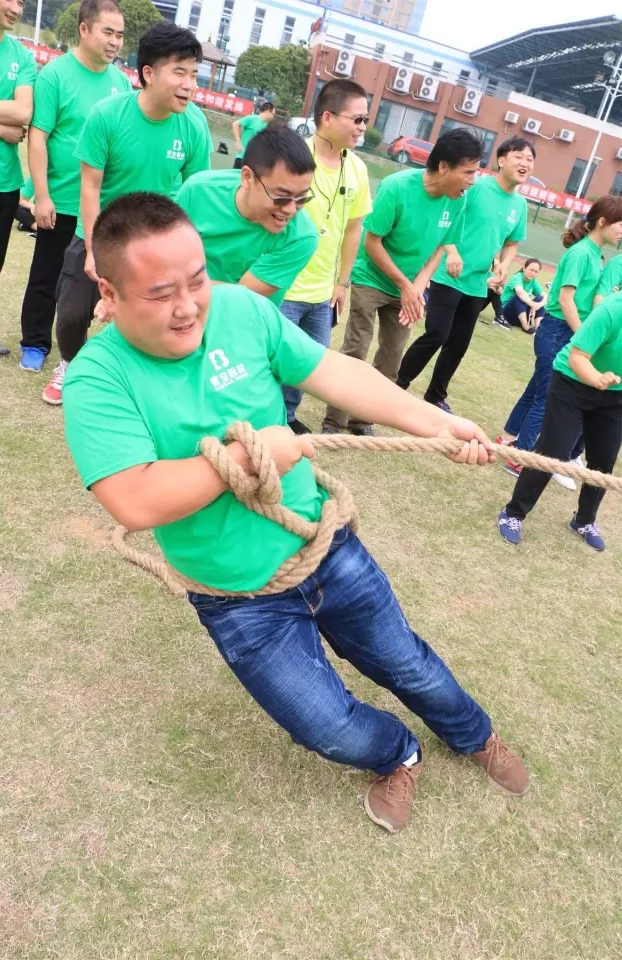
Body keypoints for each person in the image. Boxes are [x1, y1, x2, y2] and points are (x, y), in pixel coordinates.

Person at [63, 193, 529, 834]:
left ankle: (476, 736)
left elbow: (336, 374)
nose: (189, 305)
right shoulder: (97, 379)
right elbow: (134, 499)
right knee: (326, 726)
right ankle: (398, 752)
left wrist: (438, 424)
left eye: (197, 280)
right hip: (237, 598)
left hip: (325, 550)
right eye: (161, 293)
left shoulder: (241, 310)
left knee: (408, 663)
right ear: (109, 293)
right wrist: (252, 457)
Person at [42, 21, 212, 406]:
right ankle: (71, 363)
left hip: (157, 243)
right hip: (102, 232)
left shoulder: (194, 125)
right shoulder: (107, 115)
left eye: (194, 75)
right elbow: (90, 187)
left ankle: (135, 382)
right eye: (180, 73)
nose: (190, 85)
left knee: (155, 316)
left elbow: (195, 194)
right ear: (148, 73)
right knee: (71, 314)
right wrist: (91, 248)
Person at [322, 128, 483, 437]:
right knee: (356, 350)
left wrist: (417, 288)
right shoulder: (396, 187)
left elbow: (441, 247)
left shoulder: (458, 200)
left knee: (391, 361)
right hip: (372, 277)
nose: (473, 180)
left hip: (407, 287)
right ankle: (334, 422)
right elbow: (372, 242)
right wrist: (405, 285)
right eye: (468, 172)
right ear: (444, 167)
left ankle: (362, 420)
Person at [18, 0, 130, 374]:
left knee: (85, 285)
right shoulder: (55, 75)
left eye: (119, 35)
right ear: (84, 29)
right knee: (46, 276)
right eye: (107, 32)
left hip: (99, 207)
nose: (115, 42)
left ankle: (74, 353)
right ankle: (35, 342)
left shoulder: (120, 83)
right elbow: (38, 137)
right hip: (61, 200)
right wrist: (42, 196)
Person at [396, 137, 533, 413]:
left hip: (477, 284)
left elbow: (512, 242)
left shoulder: (520, 205)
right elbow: (446, 215)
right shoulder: (476, 187)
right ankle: (399, 383)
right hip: (448, 275)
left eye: (530, 159)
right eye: (519, 156)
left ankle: (435, 395)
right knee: (437, 334)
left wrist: (504, 264)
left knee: (458, 344)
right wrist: (451, 251)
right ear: (501, 160)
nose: (525, 163)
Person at [499, 197, 622, 484]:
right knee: (545, 397)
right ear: (602, 221)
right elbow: (566, 300)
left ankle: (507, 439)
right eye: (620, 224)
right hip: (558, 329)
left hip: (564, 330)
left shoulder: (595, 254)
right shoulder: (581, 253)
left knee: (535, 390)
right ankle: (520, 457)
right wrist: (583, 337)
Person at [280, 79, 372, 434]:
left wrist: (342, 282)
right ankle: (266, 417)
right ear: (328, 117)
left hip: (322, 293)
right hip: (284, 284)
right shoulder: (294, 157)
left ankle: (288, 416)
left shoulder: (357, 169)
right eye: (357, 119)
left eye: (365, 120)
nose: (362, 128)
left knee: (309, 364)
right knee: (275, 357)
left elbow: (353, 229)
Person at [497, 292, 622, 551]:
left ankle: (584, 521)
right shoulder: (611, 310)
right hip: (572, 381)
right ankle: (513, 513)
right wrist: (597, 380)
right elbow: (577, 357)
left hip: (615, 393)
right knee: (553, 450)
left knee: (603, 459)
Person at [175, 124, 318, 306]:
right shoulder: (197, 192)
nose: (291, 209)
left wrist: (173, 286)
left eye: (301, 198)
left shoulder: (301, 237)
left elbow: (238, 297)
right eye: (281, 196)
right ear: (247, 177)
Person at [0, 0, 35, 357]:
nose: (17, 8)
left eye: (22, 2)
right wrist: (1, 130)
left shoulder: (22, 56)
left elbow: (23, 112)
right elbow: (11, 122)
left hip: (4, 180)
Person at [495, 257, 546, 332]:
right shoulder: (517, 277)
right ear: (524, 268)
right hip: (506, 314)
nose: (533, 273)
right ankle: (525, 327)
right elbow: (520, 292)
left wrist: (539, 304)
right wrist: (532, 304)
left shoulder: (533, 281)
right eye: (531, 270)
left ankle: (538, 328)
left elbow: (545, 296)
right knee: (519, 296)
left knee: (540, 298)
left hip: (521, 314)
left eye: (536, 271)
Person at [232, 100, 274, 169]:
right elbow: (235, 124)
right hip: (242, 157)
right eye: (273, 114)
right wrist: (238, 140)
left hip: (254, 162)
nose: (273, 117)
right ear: (268, 110)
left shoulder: (266, 126)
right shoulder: (252, 118)